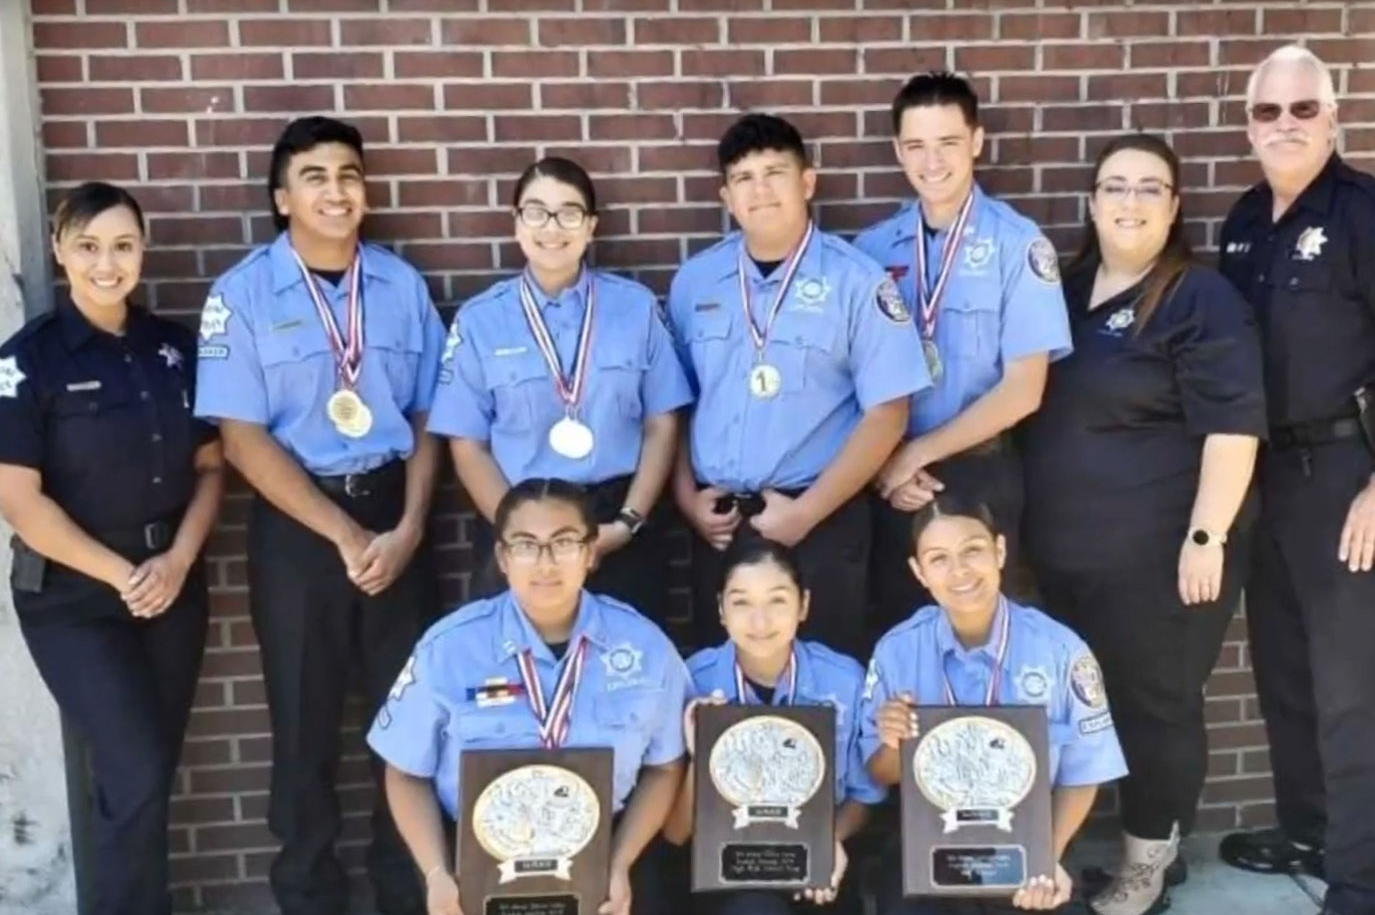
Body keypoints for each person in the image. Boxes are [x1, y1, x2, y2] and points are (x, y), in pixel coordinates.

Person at [193, 116, 447, 915]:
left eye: (349, 174)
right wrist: (343, 534)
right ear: (281, 197)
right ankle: (312, 913)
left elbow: (426, 416)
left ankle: (412, 898)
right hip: (301, 532)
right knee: (303, 727)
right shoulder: (242, 294)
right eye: (314, 176)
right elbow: (241, 437)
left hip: (397, 517)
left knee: (407, 724)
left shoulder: (401, 286)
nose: (336, 191)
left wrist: (407, 526)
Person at [1216, 45, 1375, 915]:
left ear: (1334, 117)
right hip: (1270, 478)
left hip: (1350, 475)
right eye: (1268, 112)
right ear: (1248, 125)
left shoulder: (1371, 216)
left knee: (1350, 690)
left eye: (1303, 109)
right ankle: (1312, 832)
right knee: (1284, 671)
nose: (1285, 126)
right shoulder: (1243, 220)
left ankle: (1364, 899)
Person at [1019, 133, 1268, 915]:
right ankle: (1146, 843)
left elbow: (1232, 427)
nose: (1130, 202)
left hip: (1161, 558)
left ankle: (1146, 867)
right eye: (1114, 187)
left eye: (1149, 188)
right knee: (1100, 706)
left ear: (1174, 205)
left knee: (1154, 705)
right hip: (1071, 554)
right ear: (1090, 202)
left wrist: (1206, 538)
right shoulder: (1068, 286)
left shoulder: (1199, 296)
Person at [0, 182, 224, 915]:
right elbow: (22, 503)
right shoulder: (26, 363)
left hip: (171, 586)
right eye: (89, 245)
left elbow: (212, 465)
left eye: (123, 245)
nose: (107, 262)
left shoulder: (173, 349)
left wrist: (179, 561)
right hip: (73, 600)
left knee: (145, 777)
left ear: (143, 252)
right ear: (60, 250)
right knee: (132, 771)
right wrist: (124, 576)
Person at [367, 478, 689, 915]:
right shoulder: (449, 649)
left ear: (590, 551)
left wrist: (620, 864)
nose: (545, 562)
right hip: (477, 853)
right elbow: (404, 773)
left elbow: (665, 766)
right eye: (526, 545)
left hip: (605, 847)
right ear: (501, 558)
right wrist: (438, 875)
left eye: (563, 542)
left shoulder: (644, 646)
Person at [667, 112, 930, 661]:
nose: (759, 191)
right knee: (723, 695)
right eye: (743, 178)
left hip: (820, 524)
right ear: (726, 196)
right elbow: (675, 405)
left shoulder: (858, 282)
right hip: (721, 529)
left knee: (825, 688)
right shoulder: (694, 282)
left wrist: (806, 513)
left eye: (775, 172)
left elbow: (888, 413)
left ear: (807, 182)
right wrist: (686, 498)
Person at [429, 157, 691, 626]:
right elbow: (467, 444)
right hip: (520, 531)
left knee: (632, 675)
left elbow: (662, 424)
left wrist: (628, 523)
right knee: (516, 682)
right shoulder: (479, 321)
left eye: (570, 213)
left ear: (591, 227)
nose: (552, 227)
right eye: (536, 212)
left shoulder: (635, 309)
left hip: (617, 524)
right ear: (516, 223)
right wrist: (521, 536)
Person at [854, 71, 1071, 627]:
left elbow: (1024, 389)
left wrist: (915, 456)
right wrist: (888, 465)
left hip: (979, 473)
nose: (932, 161)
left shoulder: (1017, 244)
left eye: (948, 142)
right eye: (917, 146)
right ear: (898, 151)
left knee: (988, 628)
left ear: (976, 141)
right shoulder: (871, 250)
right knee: (900, 632)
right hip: (888, 474)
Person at [860, 495, 1127, 915]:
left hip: (1029, 843)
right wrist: (893, 742)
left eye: (973, 550)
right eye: (939, 559)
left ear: (1000, 551)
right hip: (930, 849)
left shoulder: (1060, 650)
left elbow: (1085, 772)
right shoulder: (898, 651)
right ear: (919, 573)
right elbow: (881, 774)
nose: (960, 571)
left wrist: (1047, 857)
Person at [662, 535, 886, 915]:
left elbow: (865, 795)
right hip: (727, 866)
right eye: (742, 602)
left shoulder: (844, 679)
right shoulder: (693, 681)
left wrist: (827, 842)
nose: (760, 621)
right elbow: (676, 832)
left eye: (777, 600)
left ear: (803, 605)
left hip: (821, 852)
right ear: (721, 611)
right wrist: (701, 757)